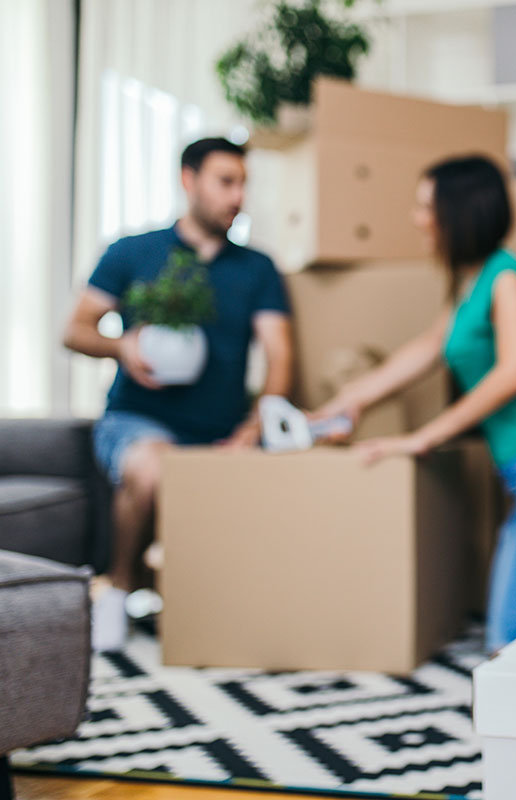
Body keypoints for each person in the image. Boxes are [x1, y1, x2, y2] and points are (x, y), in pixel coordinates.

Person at [311, 154, 516, 651]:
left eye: (426, 207)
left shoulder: (505, 275)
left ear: (459, 213)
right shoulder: (471, 282)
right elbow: (425, 349)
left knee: (510, 640)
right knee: (503, 639)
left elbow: (512, 371)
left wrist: (421, 437)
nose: (418, 219)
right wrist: (348, 401)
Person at [63, 137, 294, 652]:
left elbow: (280, 357)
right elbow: (74, 330)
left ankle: (204, 604)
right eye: (225, 182)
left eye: (243, 184)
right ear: (188, 180)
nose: (237, 197)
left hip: (219, 429)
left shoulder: (257, 269)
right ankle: (118, 591)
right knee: (153, 468)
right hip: (136, 422)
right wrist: (123, 345)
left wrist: (253, 428)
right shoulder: (132, 252)